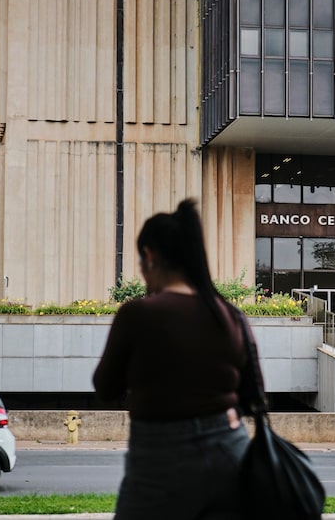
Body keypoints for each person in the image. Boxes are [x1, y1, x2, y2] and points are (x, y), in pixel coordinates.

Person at [93, 199, 255, 520]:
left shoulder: (138, 314)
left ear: (150, 256)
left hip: (159, 457)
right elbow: (250, 396)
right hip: (230, 452)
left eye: (141, 261)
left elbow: (105, 386)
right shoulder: (231, 315)